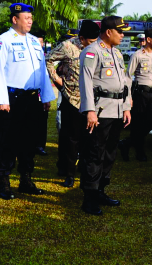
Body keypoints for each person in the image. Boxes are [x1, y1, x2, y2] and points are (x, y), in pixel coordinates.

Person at [0, 3, 55, 200]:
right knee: (8, 141)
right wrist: (2, 99)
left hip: (32, 99)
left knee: (29, 142)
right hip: (12, 99)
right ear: (14, 19)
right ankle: (4, 182)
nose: (30, 21)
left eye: (31, 18)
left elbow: (42, 70)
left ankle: (26, 180)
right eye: (26, 18)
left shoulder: (35, 42)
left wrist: (45, 96)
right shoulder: (3, 41)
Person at [78, 16, 132, 215]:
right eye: (120, 31)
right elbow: (85, 81)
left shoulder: (117, 53)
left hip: (117, 109)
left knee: (110, 153)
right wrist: (89, 110)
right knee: (95, 154)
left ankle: (101, 190)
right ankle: (89, 198)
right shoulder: (92, 51)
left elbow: (125, 82)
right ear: (108, 32)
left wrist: (126, 107)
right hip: (100, 111)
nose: (123, 35)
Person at [46, 22, 100, 188]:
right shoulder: (67, 47)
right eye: (90, 41)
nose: (93, 44)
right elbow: (48, 60)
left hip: (92, 101)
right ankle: (69, 173)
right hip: (72, 99)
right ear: (81, 38)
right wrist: (58, 80)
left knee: (88, 139)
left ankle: (84, 170)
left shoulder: (98, 47)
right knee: (71, 139)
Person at [119, 28, 152, 162]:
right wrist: (129, 98)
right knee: (138, 123)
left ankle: (126, 143)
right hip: (140, 93)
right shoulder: (138, 55)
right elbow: (128, 77)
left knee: (151, 121)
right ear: (149, 39)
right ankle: (139, 151)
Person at [32, 29, 49, 156]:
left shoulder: (46, 58)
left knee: (42, 122)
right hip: (30, 95)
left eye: (41, 42)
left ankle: (40, 145)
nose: (39, 45)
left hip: (42, 95)